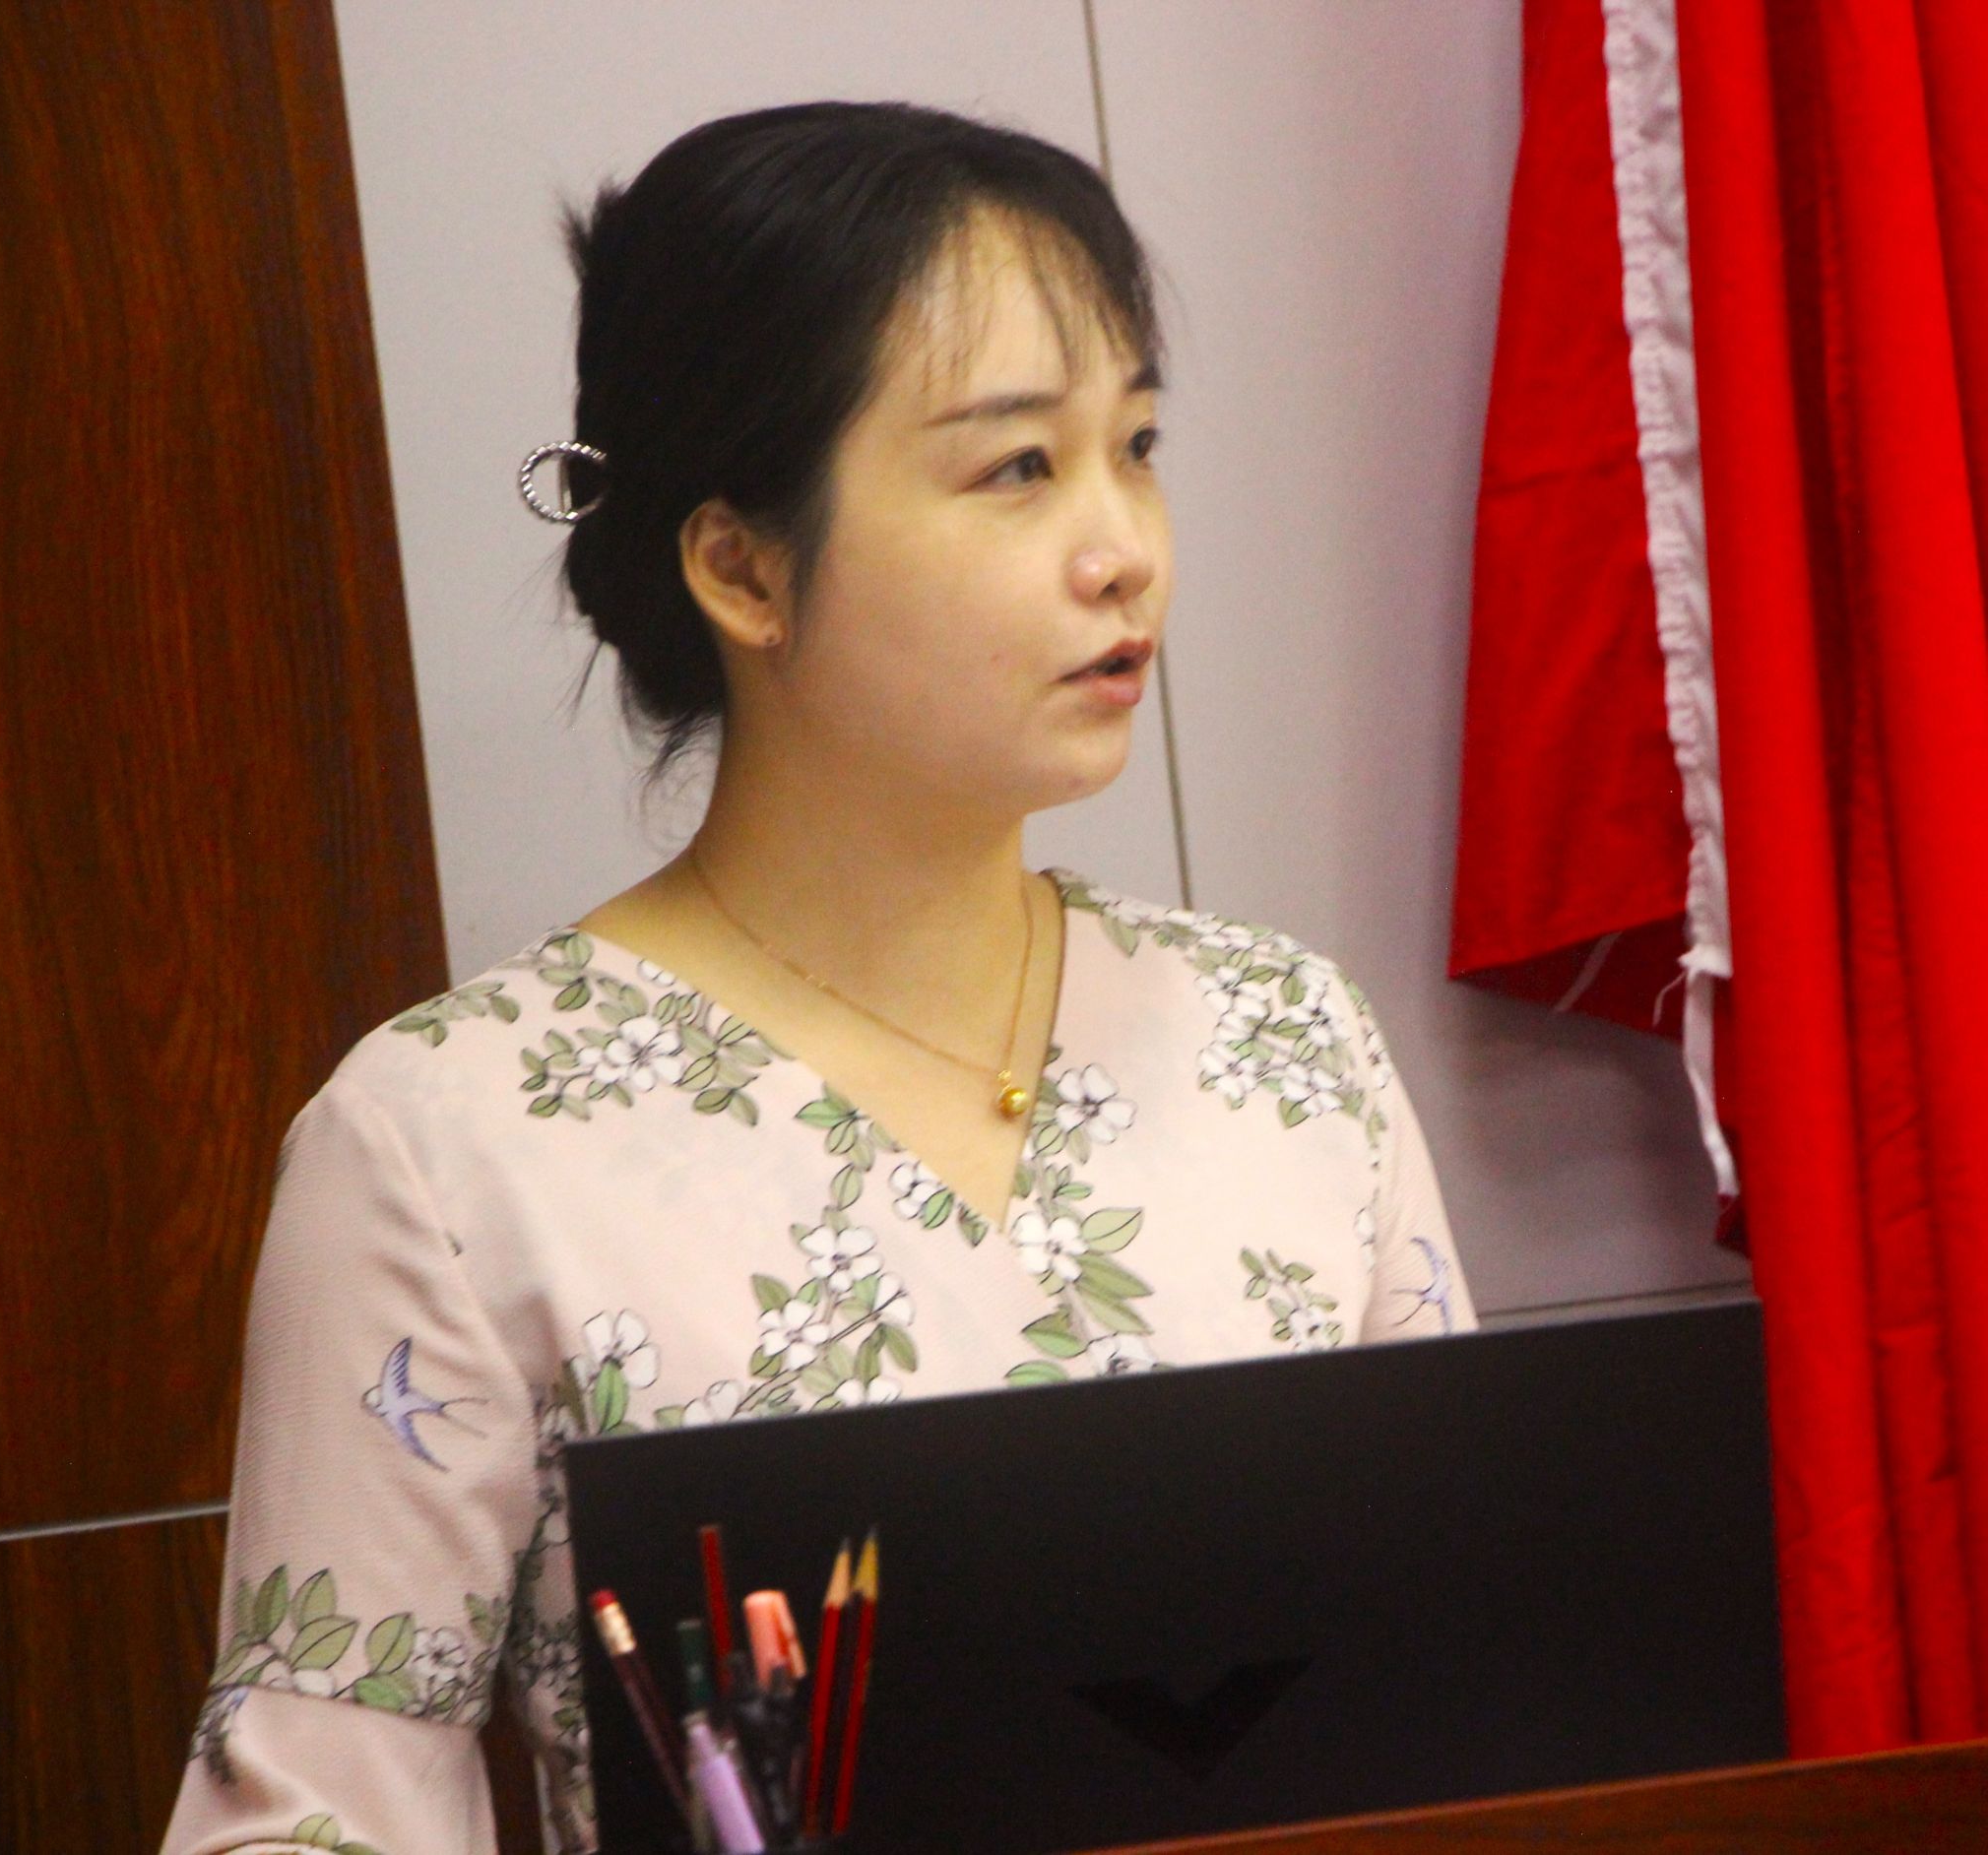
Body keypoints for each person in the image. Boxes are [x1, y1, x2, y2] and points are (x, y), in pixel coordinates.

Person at [160, 98, 1477, 1855]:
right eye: (1019, 467)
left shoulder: (1288, 1042)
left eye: (1138, 445)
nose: (1124, 547)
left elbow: (1480, 1688)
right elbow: (315, 1813)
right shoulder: (446, 1147)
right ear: (743, 565)